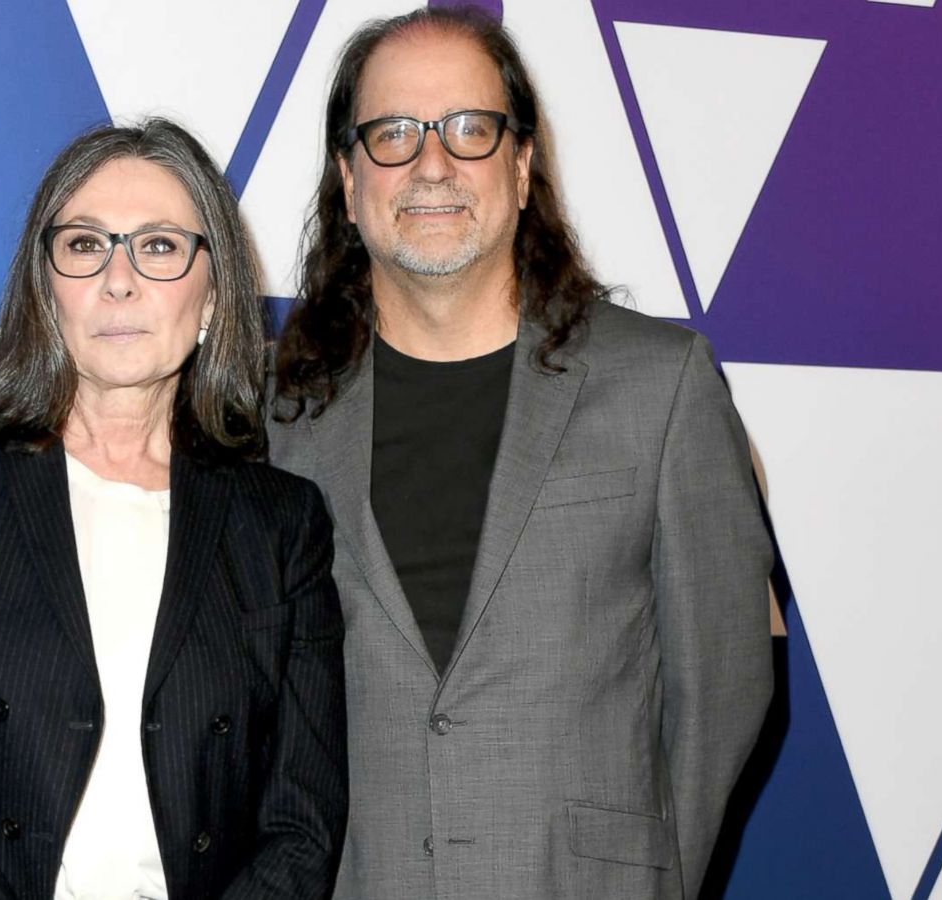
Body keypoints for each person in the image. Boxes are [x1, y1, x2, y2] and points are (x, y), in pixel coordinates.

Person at [268, 8, 773, 899]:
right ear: (348, 182)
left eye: (470, 128)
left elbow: (725, 688)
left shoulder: (662, 385)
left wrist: (648, 880)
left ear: (522, 164)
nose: (433, 164)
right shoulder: (278, 415)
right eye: (392, 134)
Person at [0, 119, 347, 900]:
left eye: (157, 246)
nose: (119, 280)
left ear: (213, 293)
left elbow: (302, 825)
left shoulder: (283, 526)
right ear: (47, 289)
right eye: (85, 245)